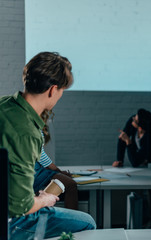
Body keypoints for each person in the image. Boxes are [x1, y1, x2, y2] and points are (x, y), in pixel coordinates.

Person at [0, 52, 96, 239]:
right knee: (87, 223)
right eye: (62, 91)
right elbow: (21, 207)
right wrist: (44, 200)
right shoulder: (27, 133)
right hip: (10, 221)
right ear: (52, 90)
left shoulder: (4, 104)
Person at [33, 110, 79, 210]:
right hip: (35, 171)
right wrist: (57, 171)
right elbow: (40, 156)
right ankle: (71, 221)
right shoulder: (33, 125)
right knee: (70, 184)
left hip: (37, 170)